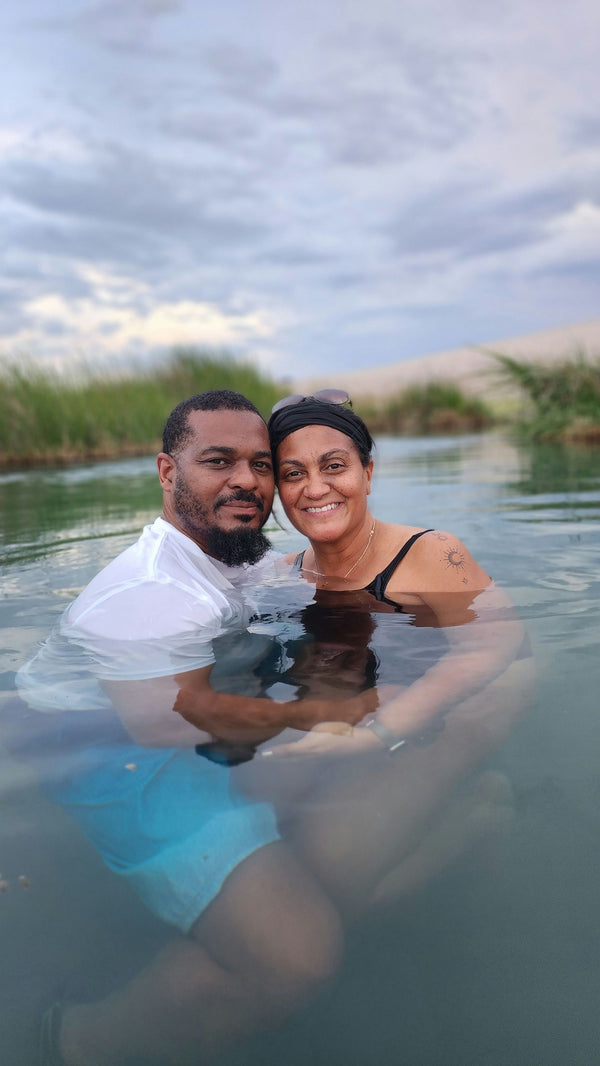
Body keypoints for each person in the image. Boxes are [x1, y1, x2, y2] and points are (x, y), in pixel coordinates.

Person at [15, 390, 376, 1066]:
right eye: (218, 461)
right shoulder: (150, 591)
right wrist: (313, 718)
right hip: (100, 758)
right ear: (166, 471)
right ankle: (72, 1043)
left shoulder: (230, 557)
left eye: (263, 464)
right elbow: (159, 721)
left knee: (355, 801)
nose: (247, 480)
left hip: (182, 736)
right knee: (300, 958)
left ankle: (243, 931)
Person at [255, 390, 535, 915]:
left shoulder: (431, 552)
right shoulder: (284, 572)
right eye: (293, 474)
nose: (315, 488)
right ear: (277, 490)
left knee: (337, 875)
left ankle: (481, 812)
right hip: (385, 690)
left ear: (367, 472)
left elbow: (496, 644)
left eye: (334, 466)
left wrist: (381, 732)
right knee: (280, 820)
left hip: (478, 689)